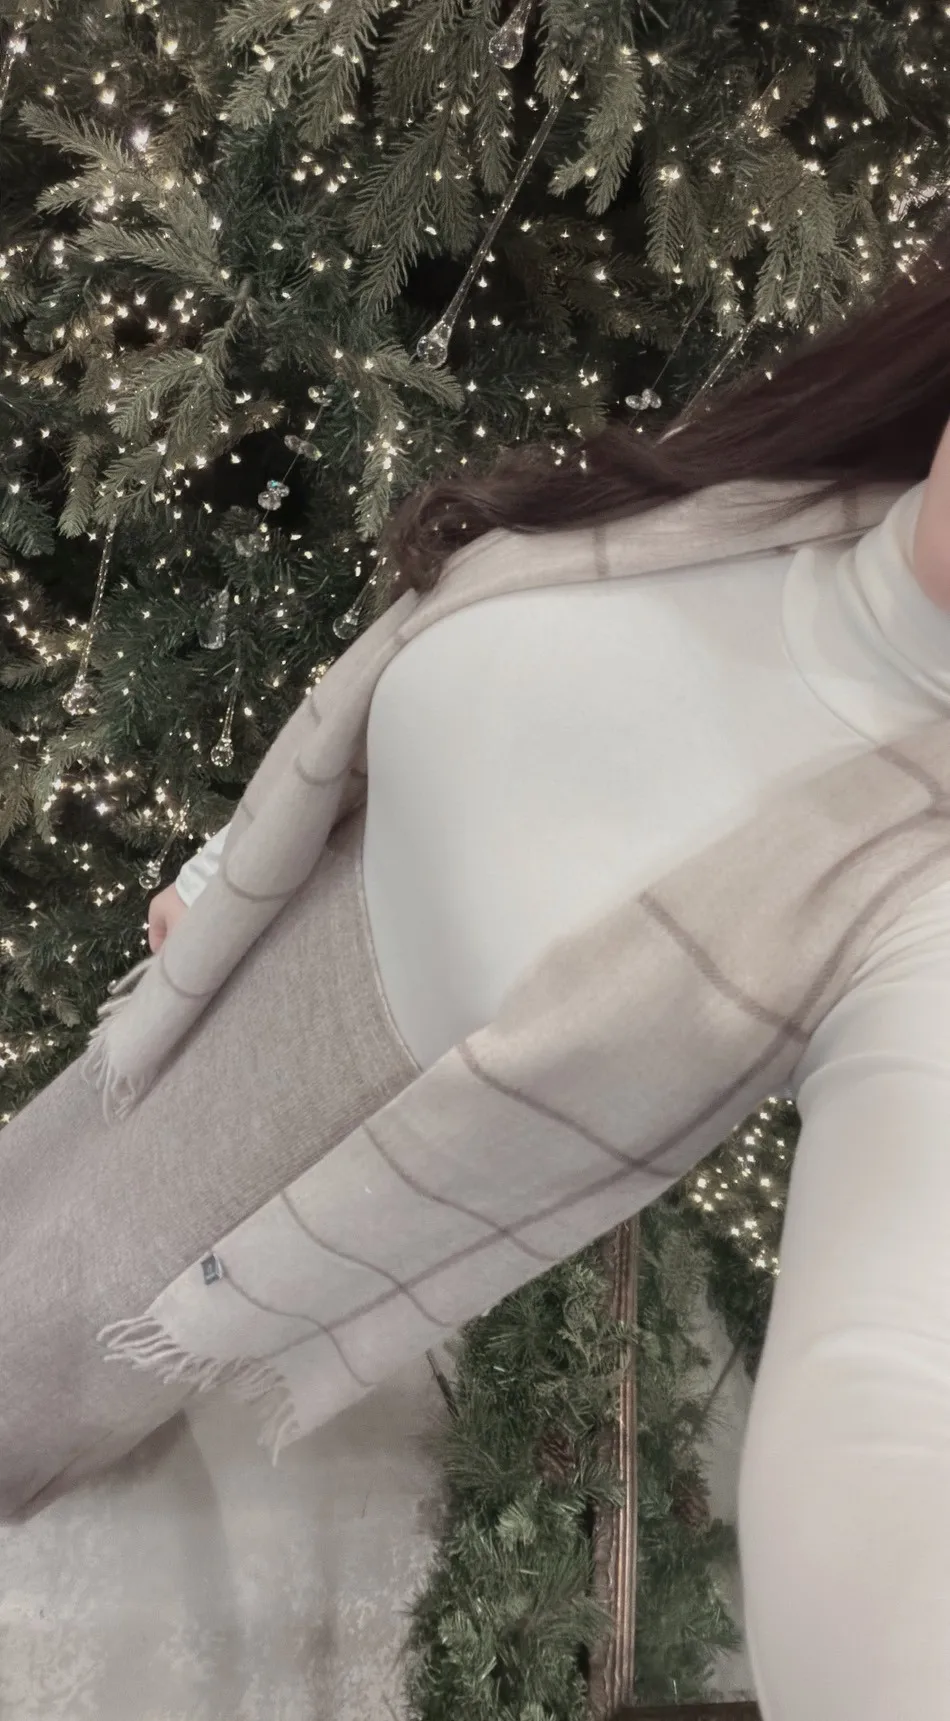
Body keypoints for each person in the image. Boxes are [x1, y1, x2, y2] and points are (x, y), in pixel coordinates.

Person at [136, 237, 950, 1721]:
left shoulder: (920, 891)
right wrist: (228, 862)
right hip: (148, 1060)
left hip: (245, 1309)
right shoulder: (770, 489)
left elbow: (882, 1392)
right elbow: (449, 685)